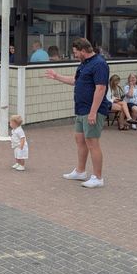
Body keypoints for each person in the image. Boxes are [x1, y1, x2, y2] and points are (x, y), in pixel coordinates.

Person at [45, 37, 109, 189]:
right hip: (80, 109)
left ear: (83, 50)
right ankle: (80, 172)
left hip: (92, 110)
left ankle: (98, 178)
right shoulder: (83, 64)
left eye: (75, 52)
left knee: (92, 142)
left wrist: (93, 112)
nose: (74, 55)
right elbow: (75, 80)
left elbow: (101, 88)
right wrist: (57, 77)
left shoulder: (99, 64)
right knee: (80, 140)